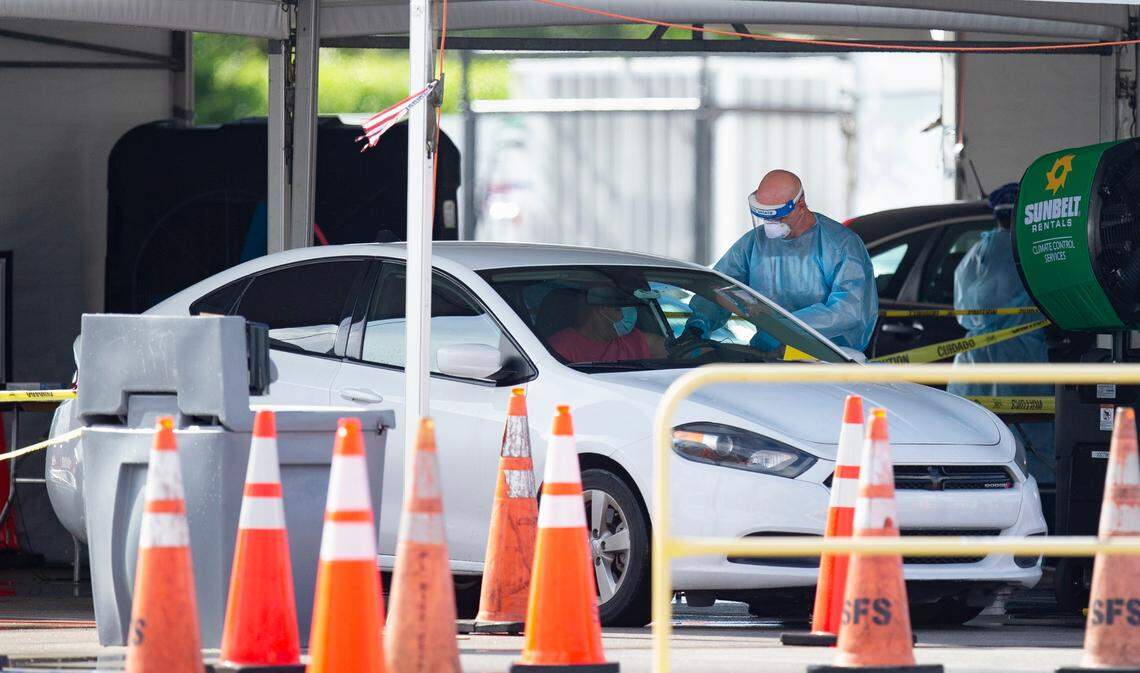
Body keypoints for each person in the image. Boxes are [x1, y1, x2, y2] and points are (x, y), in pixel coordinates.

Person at [695, 169, 878, 351]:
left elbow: (848, 310)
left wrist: (783, 330)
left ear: (800, 205)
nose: (771, 224)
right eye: (765, 216)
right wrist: (698, 324)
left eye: (778, 216)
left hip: (830, 359)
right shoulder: (753, 244)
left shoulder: (839, 245)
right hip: (769, 357)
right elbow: (718, 286)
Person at [946, 182, 1053, 482]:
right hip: (1020, 355)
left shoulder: (978, 252)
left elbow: (966, 306)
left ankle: (975, 483)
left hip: (974, 358)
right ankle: (1037, 488)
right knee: (1028, 434)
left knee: (976, 432)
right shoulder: (1028, 252)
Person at [548, 287, 665, 363]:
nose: (629, 317)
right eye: (620, 310)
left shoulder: (632, 339)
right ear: (602, 308)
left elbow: (669, 349)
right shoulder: (561, 347)